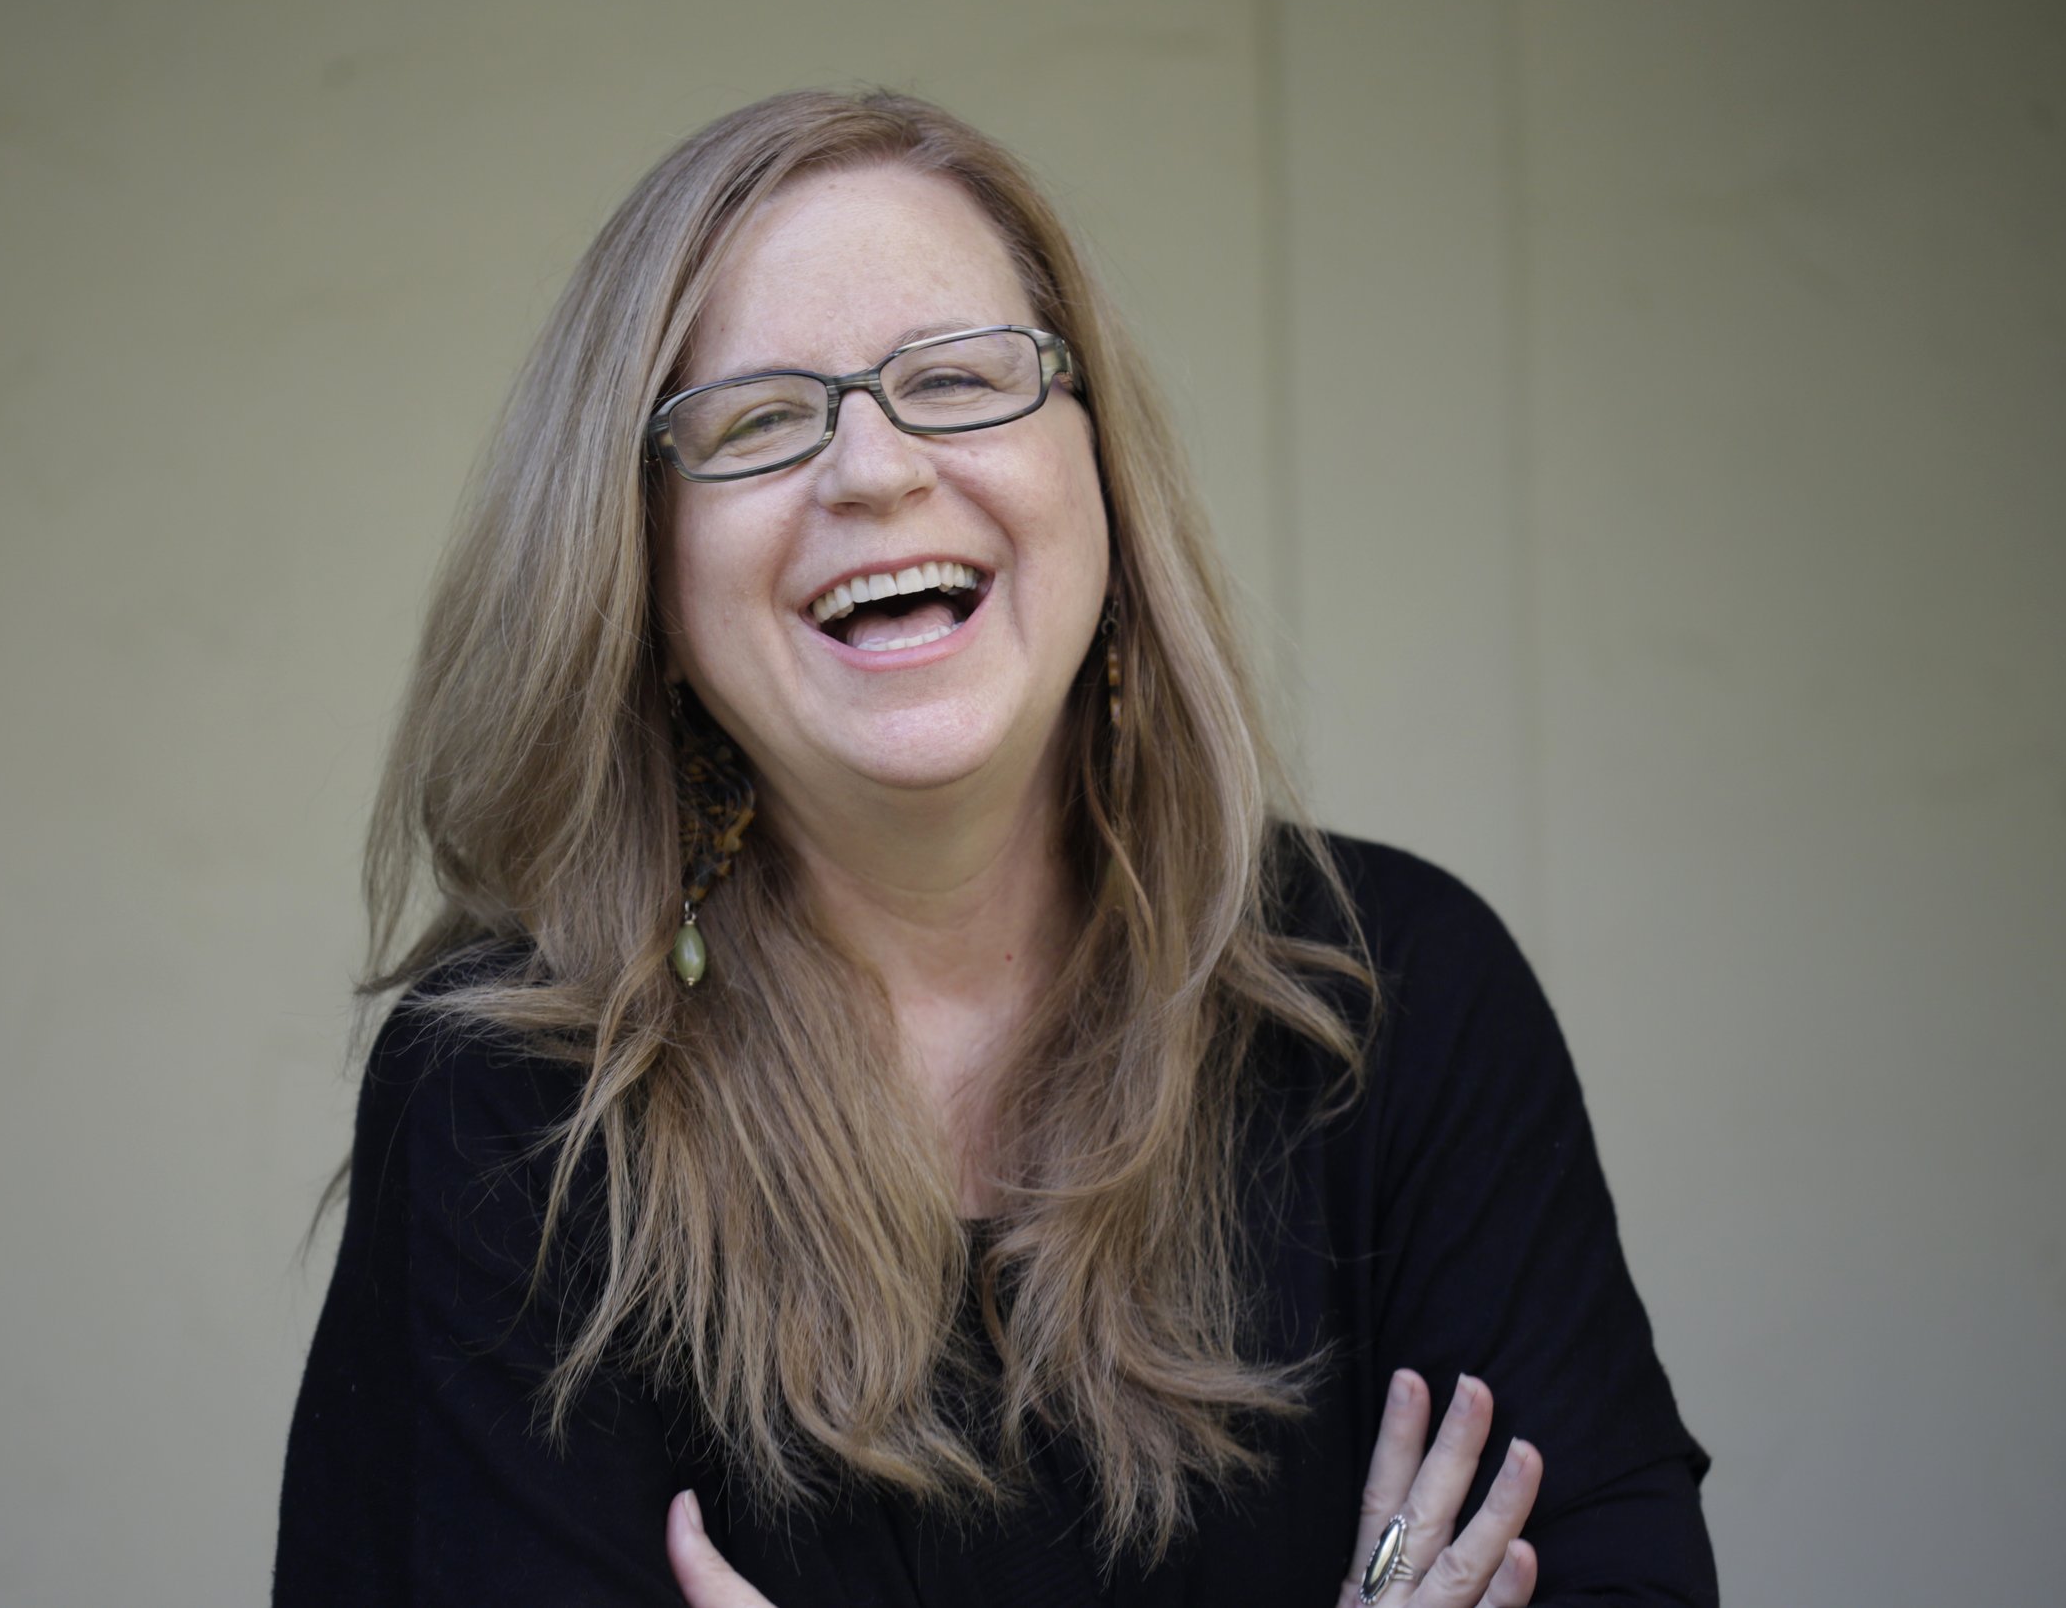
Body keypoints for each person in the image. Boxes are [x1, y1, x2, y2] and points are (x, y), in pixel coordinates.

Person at [273, 90, 1714, 1607]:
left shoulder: (1398, 1000)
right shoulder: (515, 1115)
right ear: (641, 574)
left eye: (960, 381)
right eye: (758, 422)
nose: (877, 470)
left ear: (1099, 479)